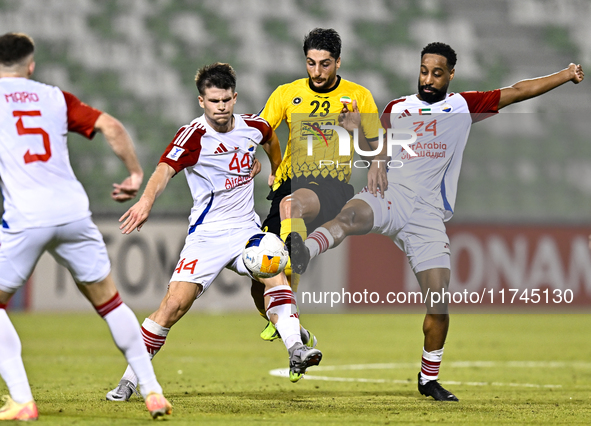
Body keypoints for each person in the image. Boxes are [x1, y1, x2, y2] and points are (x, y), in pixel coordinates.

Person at [288, 42, 585, 402]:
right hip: (390, 195)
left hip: (427, 213)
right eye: (424, 71)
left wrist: (565, 74)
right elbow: (374, 144)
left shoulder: (462, 106)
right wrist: (361, 137)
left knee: (438, 303)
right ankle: (305, 250)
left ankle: (428, 378)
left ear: (451, 75)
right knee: (349, 216)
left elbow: (519, 91)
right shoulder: (397, 107)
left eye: (437, 73)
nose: (428, 79)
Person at [105, 62, 322, 401]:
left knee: (274, 270)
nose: (220, 108)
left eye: (225, 100)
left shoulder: (252, 127)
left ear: (235, 98)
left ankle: (296, 347)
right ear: (200, 102)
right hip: (206, 236)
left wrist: (274, 171)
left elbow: (269, 138)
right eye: (213, 101)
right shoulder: (193, 136)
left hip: (245, 229)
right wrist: (146, 202)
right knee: (172, 306)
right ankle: (130, 379)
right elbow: (164, 170)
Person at [0, 32, 171, 420]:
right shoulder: (55, 97)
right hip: (74, 212)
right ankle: (153, 392)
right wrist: (133, 173)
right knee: (110, 303)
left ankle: (23, 399)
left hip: (27, 215)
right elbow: (110, 126)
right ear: (31, 65)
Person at [252, 28, 385, 342]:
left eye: (324, 64)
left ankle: (296, 268)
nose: (317, 71)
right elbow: (260, 130)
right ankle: (293, 328)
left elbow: (376, 145)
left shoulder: (358, 95)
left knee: (291, 206)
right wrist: (258, 159)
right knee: (262, 279)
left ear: (338, 62)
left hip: (329, 183)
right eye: (310, 63)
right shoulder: (287, 93)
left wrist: (361, 141)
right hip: (288, 181)